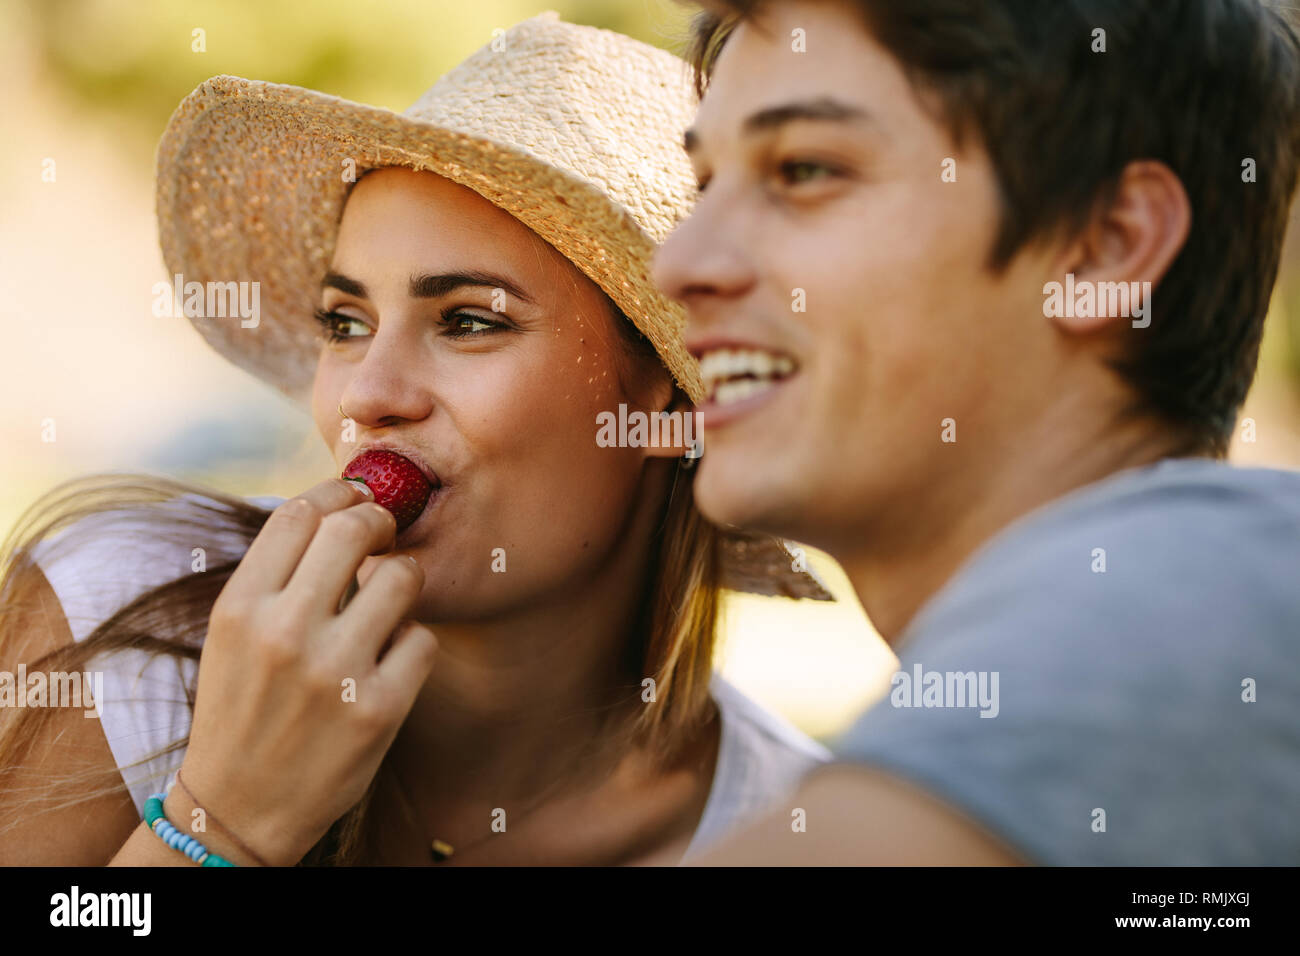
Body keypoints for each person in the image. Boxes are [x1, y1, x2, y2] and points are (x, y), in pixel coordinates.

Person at [0, 12, 834, 867]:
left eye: (468, 322)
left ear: (670, 403)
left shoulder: (807, 834)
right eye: (345, 321)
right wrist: (223, 822)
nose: (367, 396)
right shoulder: (118, 621)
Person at [652, 0, 1300, 864]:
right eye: (705, 186)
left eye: (804, 169)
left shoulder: (1184, 591)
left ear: (1105, 248)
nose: (680, 263)